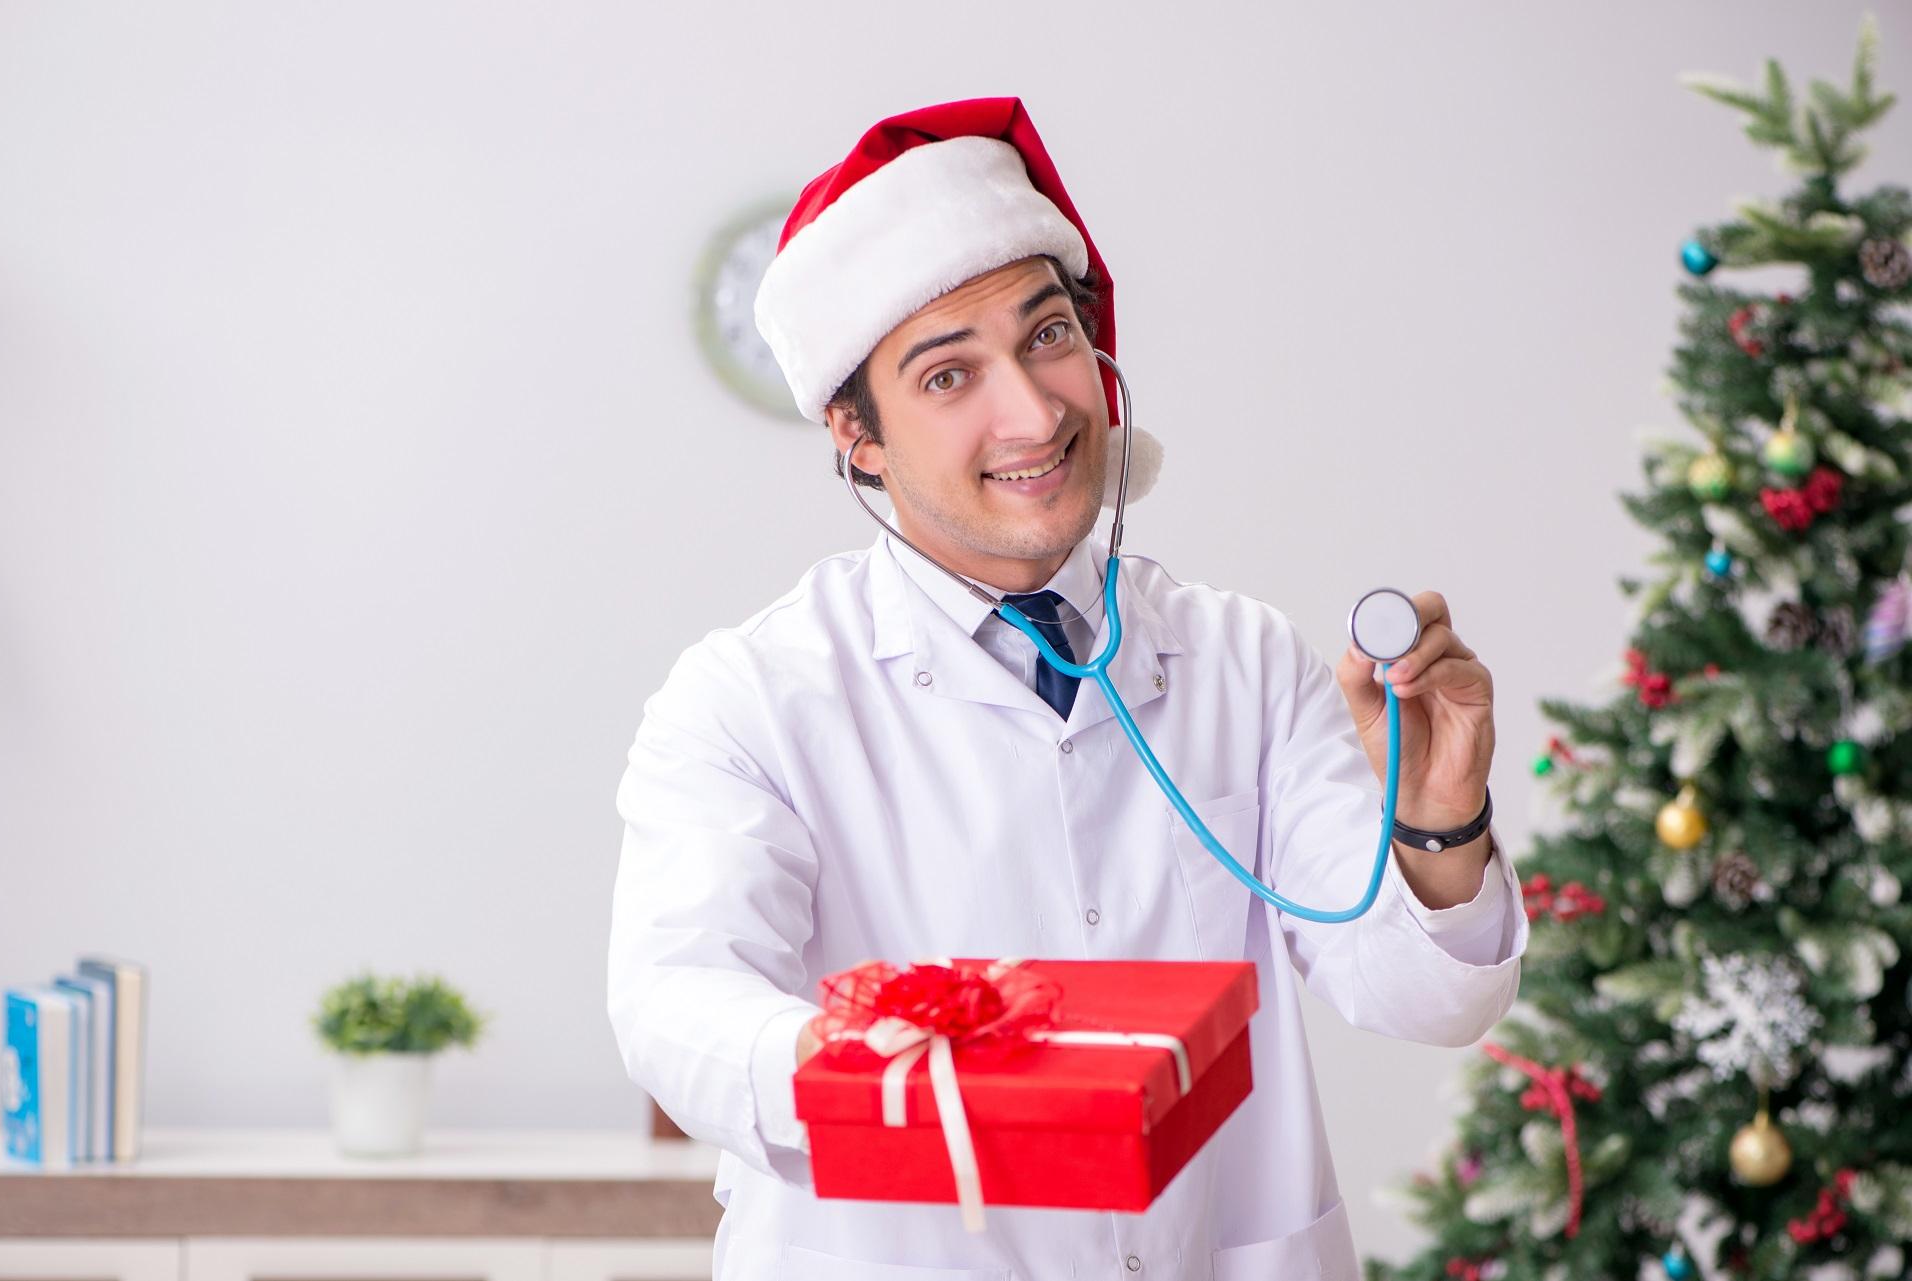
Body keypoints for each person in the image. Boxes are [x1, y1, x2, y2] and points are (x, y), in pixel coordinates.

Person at [608, 96, 1528, 1281]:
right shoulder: (751, 698)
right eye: (949, 377)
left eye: (1047, 337)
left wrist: (1439, 811)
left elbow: (1427, 1000)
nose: (1036, 412)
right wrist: (889, 1065)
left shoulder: (1240, 659)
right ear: (857, 436)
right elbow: (675, 1001)